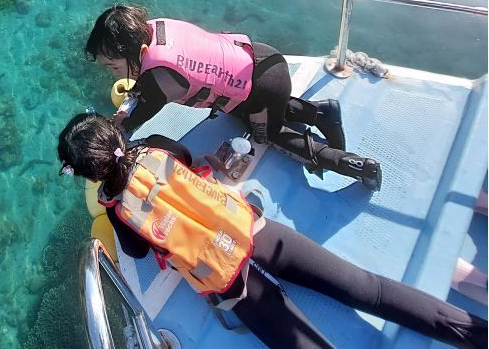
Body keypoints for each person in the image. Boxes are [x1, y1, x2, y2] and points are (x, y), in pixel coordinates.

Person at [57, 113, 487, 349]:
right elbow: (186, 160)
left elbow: (135, 253)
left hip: (231, 283)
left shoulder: (117, 212)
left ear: (87, 175)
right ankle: (473, 333)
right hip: (256, 232)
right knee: (366, 289)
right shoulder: (155, 145)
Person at [85, 3, 382, 190]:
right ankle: (322, 113)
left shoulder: (159, 78)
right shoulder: (153, 30)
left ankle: (350, 164)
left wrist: (116, 130)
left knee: (268, 135)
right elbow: (145, 91)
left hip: (263, 89)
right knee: (242, 108)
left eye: (113, 66)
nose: (112, 73)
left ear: (141, 53)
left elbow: (136, 117)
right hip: (261, 56)